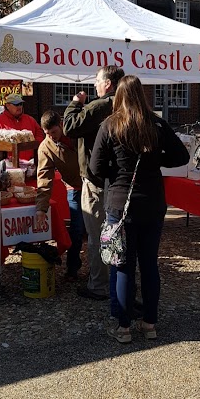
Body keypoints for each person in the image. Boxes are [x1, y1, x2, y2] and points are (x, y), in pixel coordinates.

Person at [89, 75, 189, 343]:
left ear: (119, 96)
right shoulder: (156, 124)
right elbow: (182, 156)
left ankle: (123, 328)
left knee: (122, 266)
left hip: (121, 204)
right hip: (153, 203)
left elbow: (95, 169)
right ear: (142, 95)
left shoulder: (110, 125)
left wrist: (116, 170)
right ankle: (149, 324)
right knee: (149, 265)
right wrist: (156, 160)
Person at [63, 65, 125, 300]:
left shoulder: (100, 105)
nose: (94, 85)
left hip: (98, 183)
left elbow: (69, 126)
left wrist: (75, 102)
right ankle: (117, 281)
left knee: (98, 236)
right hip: (118, 181)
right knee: (117, 234)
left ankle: (99, 285)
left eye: (97, 81)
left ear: (107, 84)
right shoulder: (125, 106)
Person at [35, 110, 84, 281]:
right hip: (74, 187)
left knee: (96, 230)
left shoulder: (76, 131)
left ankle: (101, 270)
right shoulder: (45, 147)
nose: (52, 137)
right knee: (77, 230)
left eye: (54, 132)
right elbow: (44, 179)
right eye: (47, 134)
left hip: (93, 184)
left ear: (62, 125)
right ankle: (72, 268)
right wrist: (41, 207)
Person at [0, 93, 43, 161]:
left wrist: (33, 145)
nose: (19, 107)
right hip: (8, 164)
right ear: (7, 105)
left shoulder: (30, 120)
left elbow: (40, 134)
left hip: (29, 163)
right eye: (16, 104)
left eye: (21, 104)